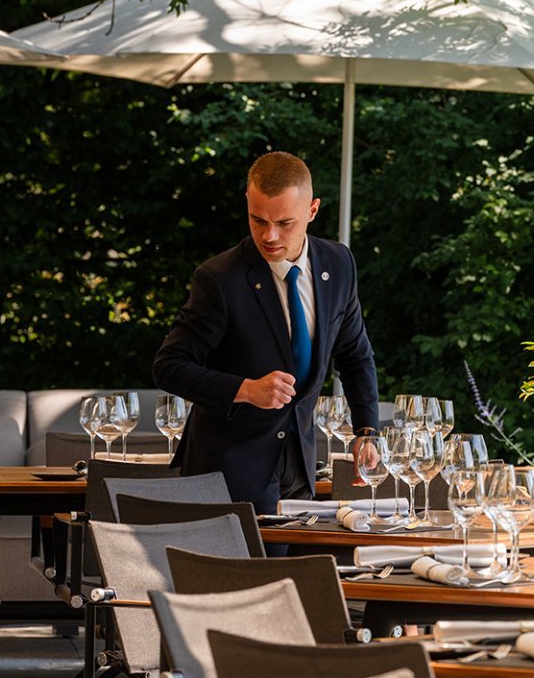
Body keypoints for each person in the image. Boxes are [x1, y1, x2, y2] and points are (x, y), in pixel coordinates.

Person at [154, 151, 380, 511]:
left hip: (301, 466)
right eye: (257, 220)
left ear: (312, 210)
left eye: (284, 223)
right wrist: (244, 389)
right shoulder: (218, 279)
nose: (269, 235)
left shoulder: (339, 263)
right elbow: (169, 366)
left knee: (298, 569)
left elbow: (354, 356)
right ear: (247, 202)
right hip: (227, 471)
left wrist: (366, 431)